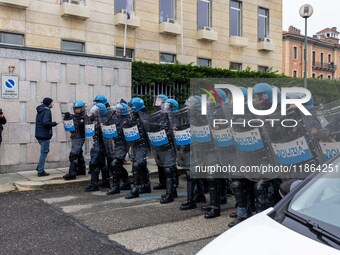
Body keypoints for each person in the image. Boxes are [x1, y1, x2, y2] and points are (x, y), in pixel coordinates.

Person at [63, 101, 86, 180]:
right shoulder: (75, 116)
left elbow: (79, 124)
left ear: (82, 109)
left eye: (79, 109)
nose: (77, 110)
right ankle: (81, 170)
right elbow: (68, 125)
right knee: (79, 153)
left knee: (74, 155)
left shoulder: (84, 117)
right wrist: (67, 117)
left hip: (79, 137)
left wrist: (71, 118)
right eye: (75, 109)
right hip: (74, 137)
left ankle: (72, 173)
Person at [35, 97, 59, 177]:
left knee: (44, 151)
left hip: (39, 134)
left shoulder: (40, 109)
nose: (52, 104)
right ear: (48, 103)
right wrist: (55, 123)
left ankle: (39, 167)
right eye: (51, 103)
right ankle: (40, 171)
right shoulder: (47, 111)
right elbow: (45, 123)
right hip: (44, 135)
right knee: (44, 152)